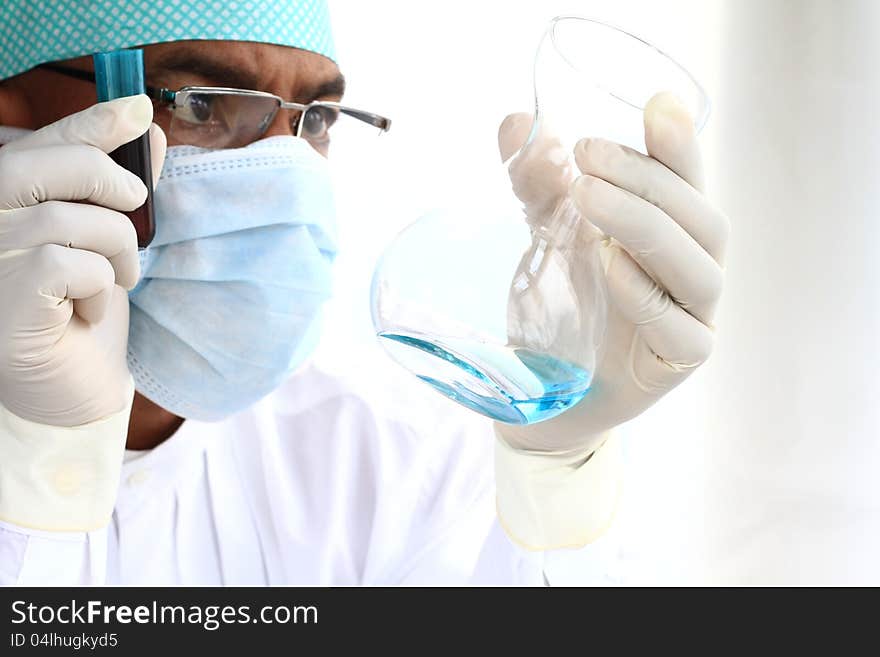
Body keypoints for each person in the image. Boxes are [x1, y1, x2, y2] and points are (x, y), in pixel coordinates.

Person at [0, 1, 728, 585]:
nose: (281, 171)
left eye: (314, 120)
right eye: (201, 107)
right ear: (14, 117)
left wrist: (557, 477)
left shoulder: (379, 457)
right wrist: (39, 466)